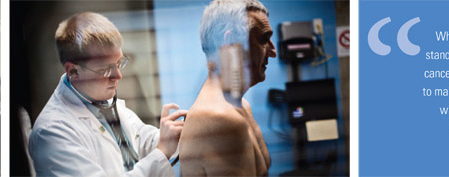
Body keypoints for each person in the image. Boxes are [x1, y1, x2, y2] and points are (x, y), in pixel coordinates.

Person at [28, 12, 187, 176]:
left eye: (119, 63)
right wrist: (161, 153)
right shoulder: (53, 132)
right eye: (105, 70)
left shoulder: (102, 100)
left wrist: (171, 135)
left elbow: (139, 139)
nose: (118, 76)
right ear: (73, 71)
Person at [178, 0, 275, 175]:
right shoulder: (220, 118)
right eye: (264, 39)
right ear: (231, 41)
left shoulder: (240, 105)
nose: (273, 51)